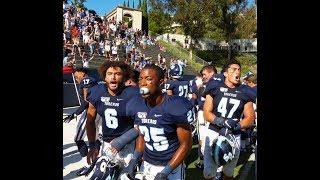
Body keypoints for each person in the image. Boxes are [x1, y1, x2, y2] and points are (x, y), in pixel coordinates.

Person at [124, 64, 193, 179]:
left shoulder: (174, 106)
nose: (143, 83)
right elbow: (142, 136)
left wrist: (165, 172)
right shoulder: (136, 104)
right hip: (147, 165)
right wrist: (134, 159)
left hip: (171, 166)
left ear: (161, 82)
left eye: (149, 79)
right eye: (140, 79)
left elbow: (186, 144)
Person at [85, 61, 140, 177]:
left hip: (127, 144)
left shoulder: (133, 94)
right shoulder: (97, 91)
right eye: (109, 73)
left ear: (124, 77)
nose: (113, 77)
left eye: (117, 74)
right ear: (105, 77)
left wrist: (122, 141)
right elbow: (90, 121)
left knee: (124, 176)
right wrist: (92, 145)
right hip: (106, 143)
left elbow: (142, 125)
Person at [202, 60, 256, 180]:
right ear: (225, 73)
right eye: (233, 69)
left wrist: (235, 126)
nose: (237, 72)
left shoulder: (245, 91)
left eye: (239, 69)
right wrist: (221, 122)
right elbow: (207, 113)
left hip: (233, 135)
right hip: (214, 132)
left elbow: (250, 118)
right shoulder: (214, 87)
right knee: (209, 172)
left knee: (228, 172)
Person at [63, 67, 102, 176]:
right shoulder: (94, 80)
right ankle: (96, 162)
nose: (75, 78)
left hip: (91, 112)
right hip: (99, 112)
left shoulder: (87, 80)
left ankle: (88, 164)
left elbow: (88, 100)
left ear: (83, 73)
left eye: (77, 75)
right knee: (97, 138)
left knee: (79, 138)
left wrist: (76, 113)